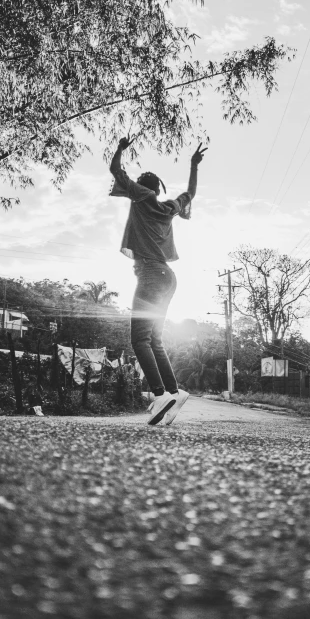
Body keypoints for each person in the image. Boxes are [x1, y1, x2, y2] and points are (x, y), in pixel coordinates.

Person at [109, 136, 207, 425]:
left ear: (142, 188)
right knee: (155, 339)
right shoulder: (169, 208)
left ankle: (159, 394)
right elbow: (190, 193)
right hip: (168, 278)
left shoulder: (141, 196)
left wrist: (120, 149)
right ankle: (175, 393)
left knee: (139, 340)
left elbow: (116, 170)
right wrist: (193, 165)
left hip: (151, 275)